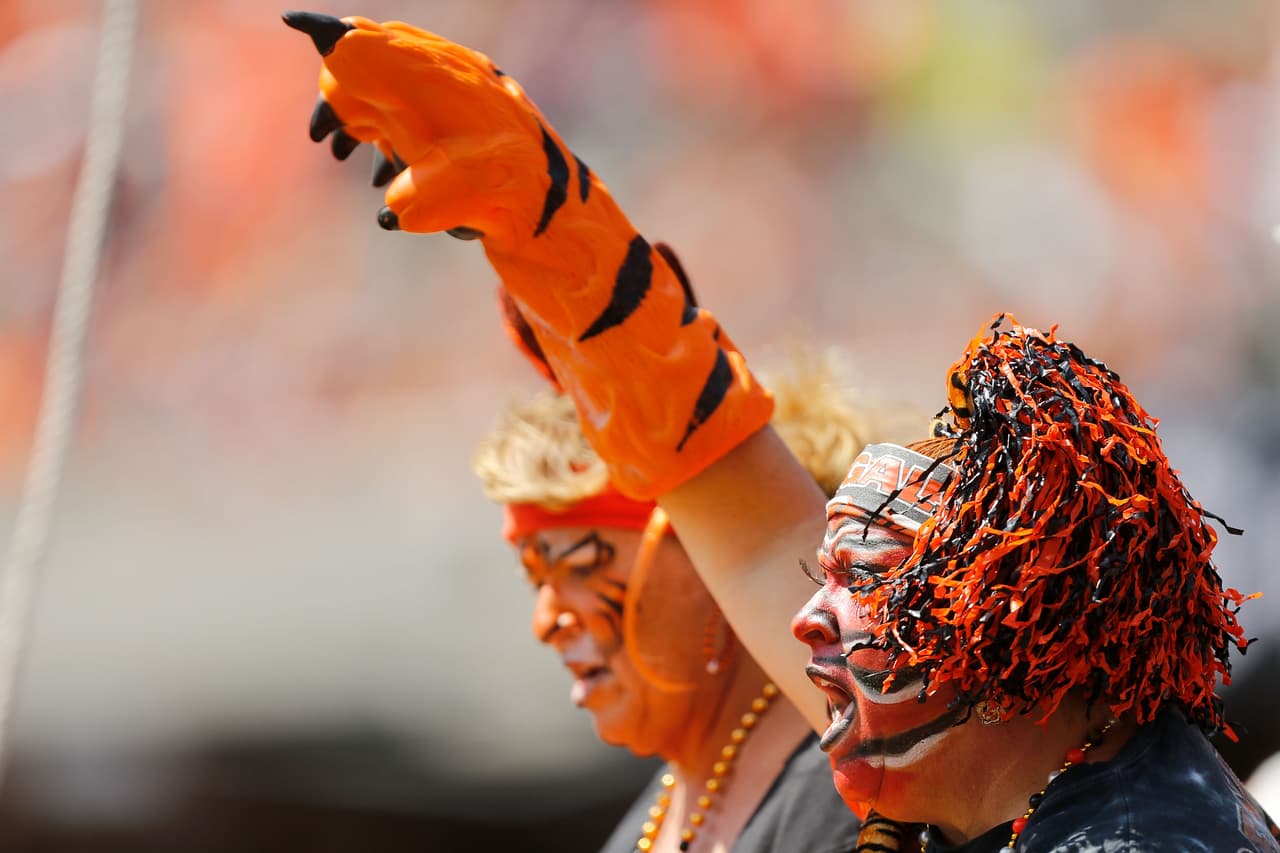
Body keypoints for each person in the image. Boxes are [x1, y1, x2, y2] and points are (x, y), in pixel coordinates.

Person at [282, 13, 1279, 851]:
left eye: (858, 583)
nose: (804, 616)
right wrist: (545, 218)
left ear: (994, 646)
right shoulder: (1008, 767)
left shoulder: (1146, 837)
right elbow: (751, 525)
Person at [472, 362, 918, 853]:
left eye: (579, 568)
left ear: (710, 551)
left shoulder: (858, 783)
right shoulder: (658, 810)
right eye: (537, 582)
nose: (544, 623)